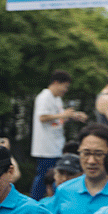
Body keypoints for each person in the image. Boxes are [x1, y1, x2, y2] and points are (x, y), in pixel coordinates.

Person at [31, 70, 87, 200]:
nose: (66, 90)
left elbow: (59, 119)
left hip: (55, 146)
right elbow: (43, 117)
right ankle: (35, 201)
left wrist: (74, 116)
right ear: (56, 83)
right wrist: (64, 115)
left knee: (55, 176)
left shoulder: (57, 99)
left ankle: (55, 199)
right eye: (65, 86)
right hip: (45, 147)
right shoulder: (44, 96)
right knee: (44, 176)